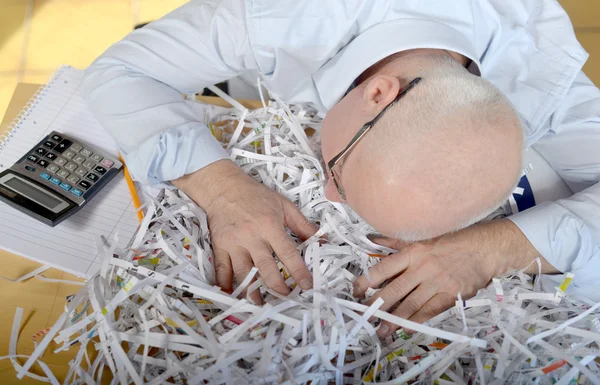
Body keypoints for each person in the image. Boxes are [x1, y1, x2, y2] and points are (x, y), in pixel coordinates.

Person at [83, 0, 600, 338]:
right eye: (338, 170)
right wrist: (220, 187)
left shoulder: (542, 73)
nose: (328, 195)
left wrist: (494, 247)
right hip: (245, 64)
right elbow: (119, 70)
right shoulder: (280, 16)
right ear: (379, 94)